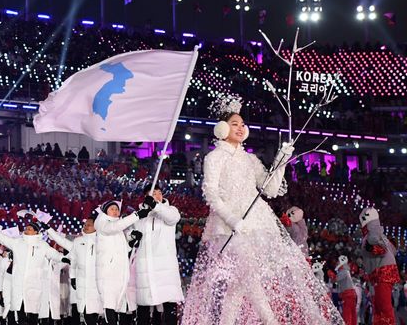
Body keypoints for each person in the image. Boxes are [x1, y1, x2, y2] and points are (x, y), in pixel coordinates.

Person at [181, 107, 342, 324]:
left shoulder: (250, 159)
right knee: (249, 275)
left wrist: (281, 160)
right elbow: (211, 193)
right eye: (235, 124)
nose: (240, 128)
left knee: (239, 285)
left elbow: (271, 188)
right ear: (222, 128)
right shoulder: (214, 157)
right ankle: (270, 321)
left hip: (255, 224)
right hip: (228, 228)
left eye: (242, 124)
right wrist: (232, 220)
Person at [0, 216, 61, 325]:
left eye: (30, 229)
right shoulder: (17, 242)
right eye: (26, 228)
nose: (26, 230)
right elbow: (2, 238)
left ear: (36, 232)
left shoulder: (42, 245)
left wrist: (63, 258)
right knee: (20, 312)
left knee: (33, 314)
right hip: (19, 284)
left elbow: (54, 254)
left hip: (34, 284)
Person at [94, 200, 151, 325]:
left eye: (116, 209)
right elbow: (114, 227)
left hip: (118, 271)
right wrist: (137, 215)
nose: (115, 211)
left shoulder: (117, 228)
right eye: (112, 209)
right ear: (105, 212)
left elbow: (122, 248)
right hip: (107, 272)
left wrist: (131, 240)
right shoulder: (102, 223)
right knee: (109, 304)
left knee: (115, 305)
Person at [134, 186, 183, 325]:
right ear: (146, 197)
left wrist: (156, 206)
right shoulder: (140, 216)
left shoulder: (170, 210)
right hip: (146, 267)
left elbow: (173, 218)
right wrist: (131, 237)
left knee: (169, 304)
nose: (157, 196)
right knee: (144, 306)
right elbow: (131, 233)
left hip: (165, 267)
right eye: (153, 194)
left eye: (159, 193)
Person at [44, 215, 103, 325]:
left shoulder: (102, 241)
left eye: (89, 225)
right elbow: (70, 256)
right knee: (86, 312)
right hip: (82, 284)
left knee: (96, 313)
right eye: (85, 224)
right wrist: (73, 277)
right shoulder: (78, 241)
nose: (85, 226)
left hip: (97, 283)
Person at [359, 207, 399, 325]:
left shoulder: (373, 231)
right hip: (380, 274)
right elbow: (392, 250)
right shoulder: (382, 236)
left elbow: (380, 248)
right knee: (379, 308)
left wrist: (372, 246)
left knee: (383, 308)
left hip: (382, 273)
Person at [334, 256, 357, 325]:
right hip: (350, 294)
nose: (336, 263)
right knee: (352, 313)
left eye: (338, 261)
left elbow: (336, 279)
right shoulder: (345, 270)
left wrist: (332, 275)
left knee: (347, 313)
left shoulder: (343, 271)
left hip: (348, 294)